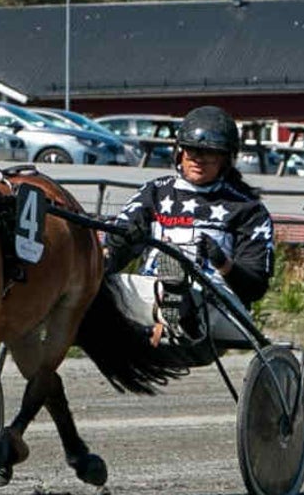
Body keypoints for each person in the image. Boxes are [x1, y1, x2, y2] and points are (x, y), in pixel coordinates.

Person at [101, 106, 275, 360]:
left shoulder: (248, 209)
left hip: (218, 306)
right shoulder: (155, 192)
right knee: (95, 283)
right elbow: (111, 258)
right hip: (149, 295)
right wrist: (120, 241)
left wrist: (221, 262)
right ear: (179, 152)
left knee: (180, 280)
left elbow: (255, 288)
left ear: (227, 158)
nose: (198, 159)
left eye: (210, 153)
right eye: (192, 150)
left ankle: (178, 309)